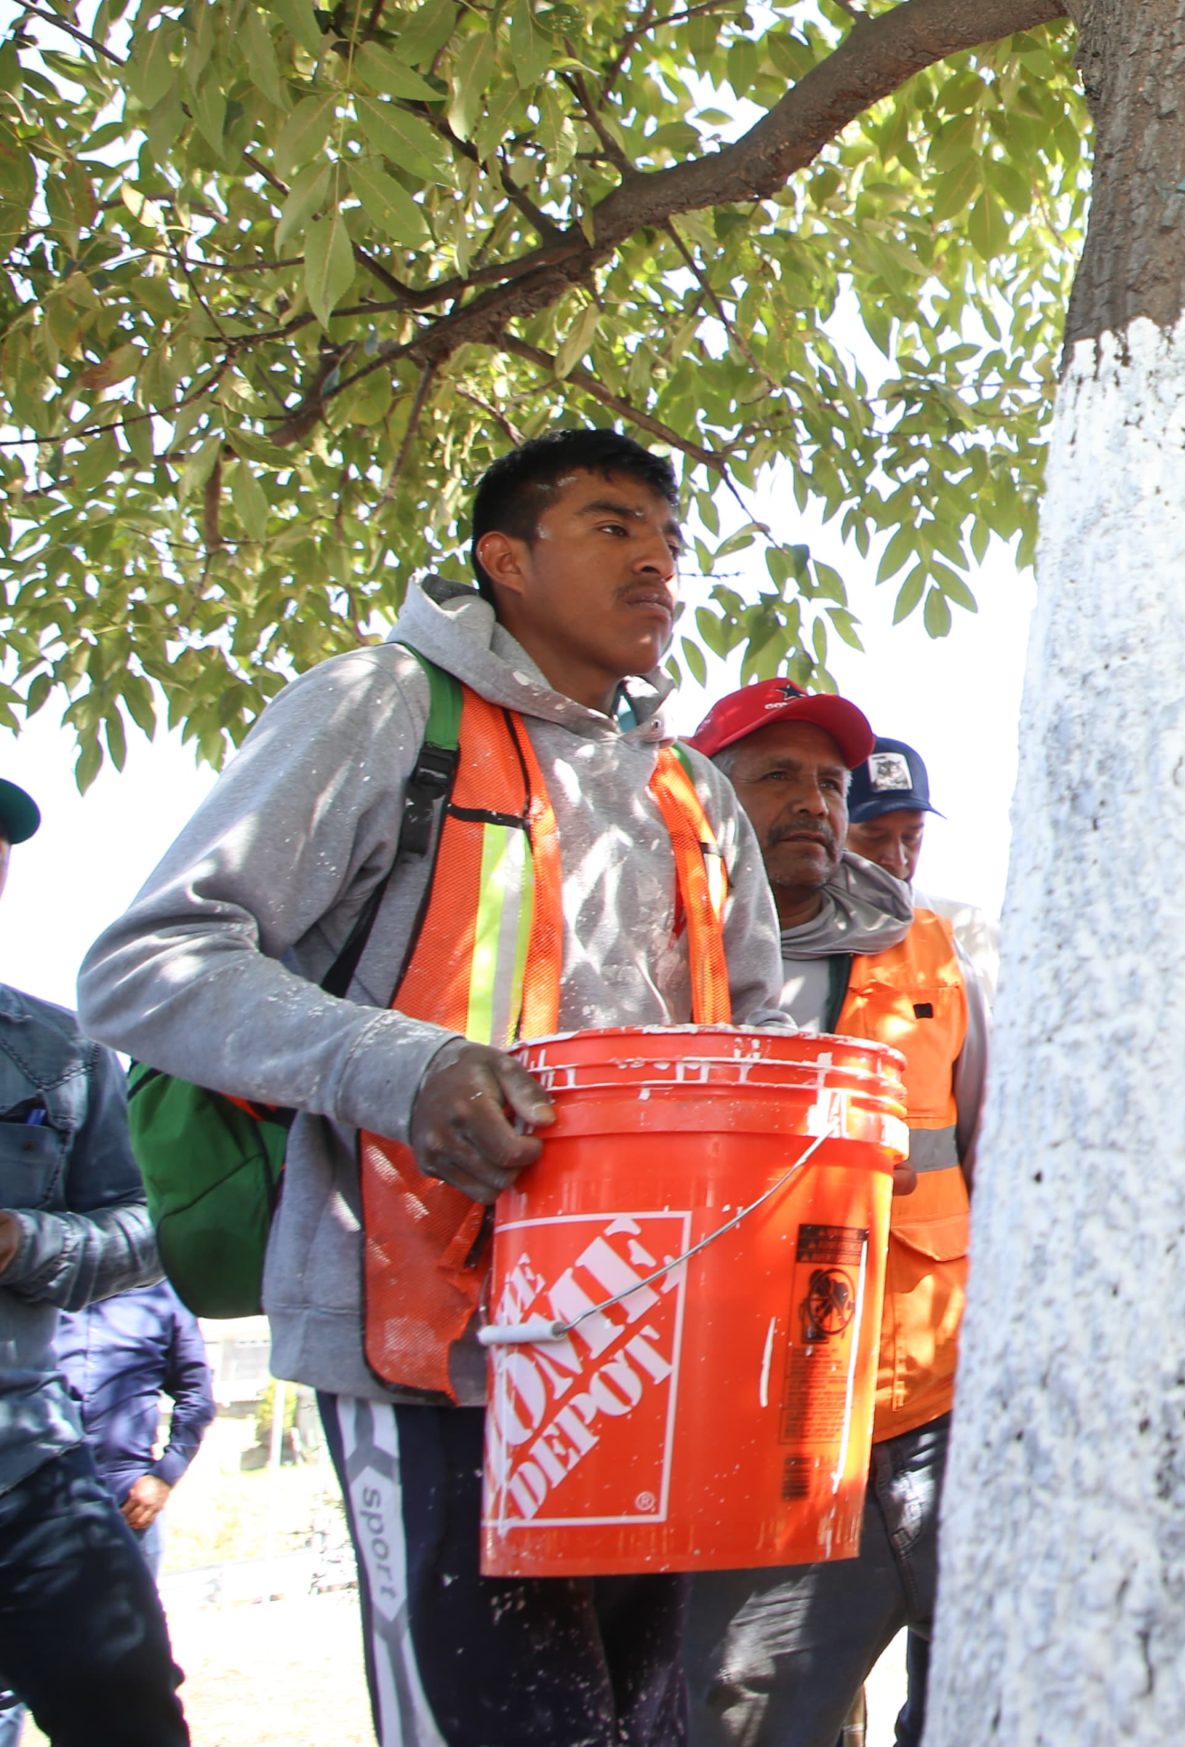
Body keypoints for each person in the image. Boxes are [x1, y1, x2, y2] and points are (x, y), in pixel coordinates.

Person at [79, 429, 789, 1747]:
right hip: (435, 1345)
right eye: (612, 523)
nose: (660, 561)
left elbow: (748, 1060)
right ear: (503, 559)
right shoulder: (381, 707)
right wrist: (397, 1065)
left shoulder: (692, 787)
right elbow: (146, 965)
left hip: (649, 1362)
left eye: (672, 538)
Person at [682, 706, 985, 1747]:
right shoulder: (652, 953)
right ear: (702, 795)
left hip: (941, 1418)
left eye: (827, 782)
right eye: (773, 778)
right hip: (760, 1442)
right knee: (756, 1717)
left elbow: (989, 1150)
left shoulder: (930, 950)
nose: (810, 801)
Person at [0, 775, 189, 1747]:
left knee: (134, 1716)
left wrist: (25, 1242)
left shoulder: (58, 1051)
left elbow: (143, 1234)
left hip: (29, 1469)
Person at [56, 1277, 217, 1575]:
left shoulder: (164, 1295)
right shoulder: (39, 1286)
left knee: (129, 1621)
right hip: (40, 1492)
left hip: (129, 1499)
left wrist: (164, 1477)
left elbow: (197, 1397)